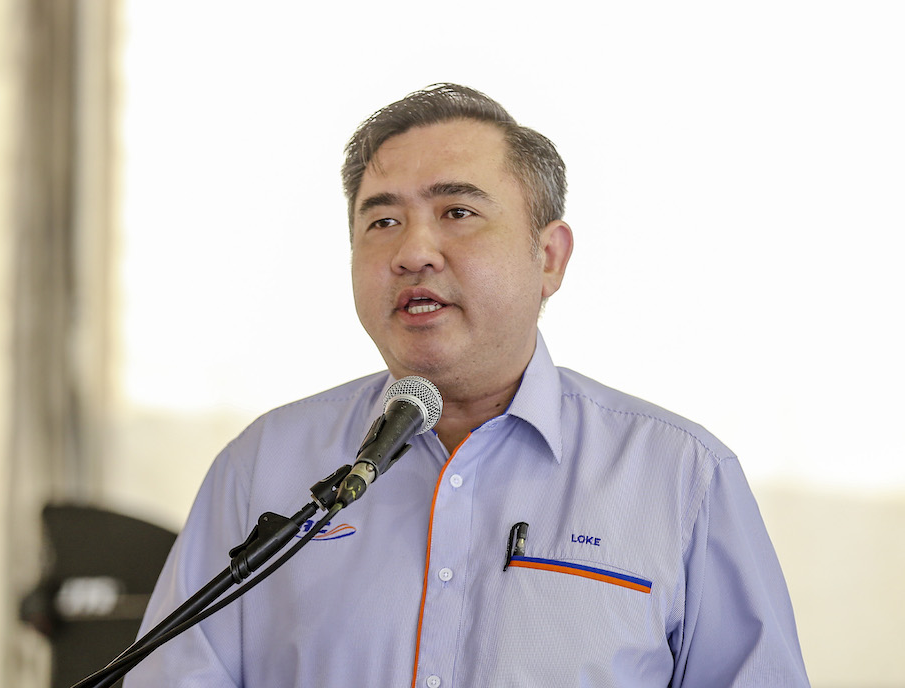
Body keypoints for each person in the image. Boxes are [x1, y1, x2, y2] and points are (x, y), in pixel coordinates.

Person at [126, 84, 810, 687]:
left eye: (457, 212)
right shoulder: (262, 465)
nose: (413, 252)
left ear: (549, 257)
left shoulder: (680, 479)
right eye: (382, 221)